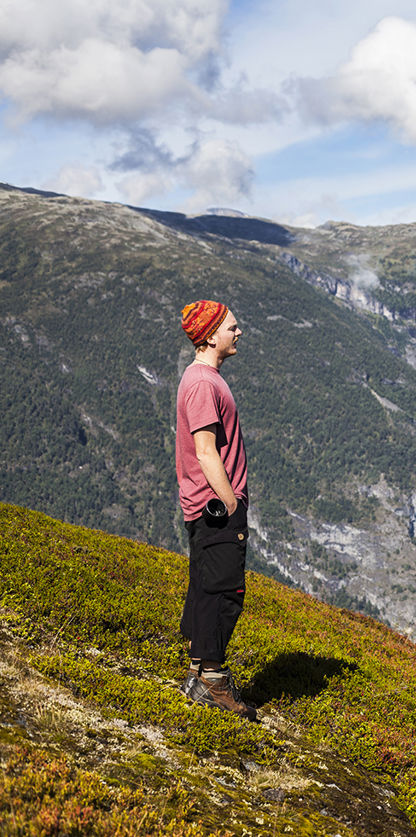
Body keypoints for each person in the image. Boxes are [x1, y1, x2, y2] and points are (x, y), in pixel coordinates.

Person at [175, 299, 255, 719]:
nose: (239, 332)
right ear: (209, 336)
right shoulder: (205, 384)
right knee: (225, 591)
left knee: (206, 587)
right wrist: (231, 502)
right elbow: (206, 452)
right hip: (216, 507)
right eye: (232, 327)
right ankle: (213, 680)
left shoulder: (198, 377)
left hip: (205, 506)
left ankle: (196, 672)